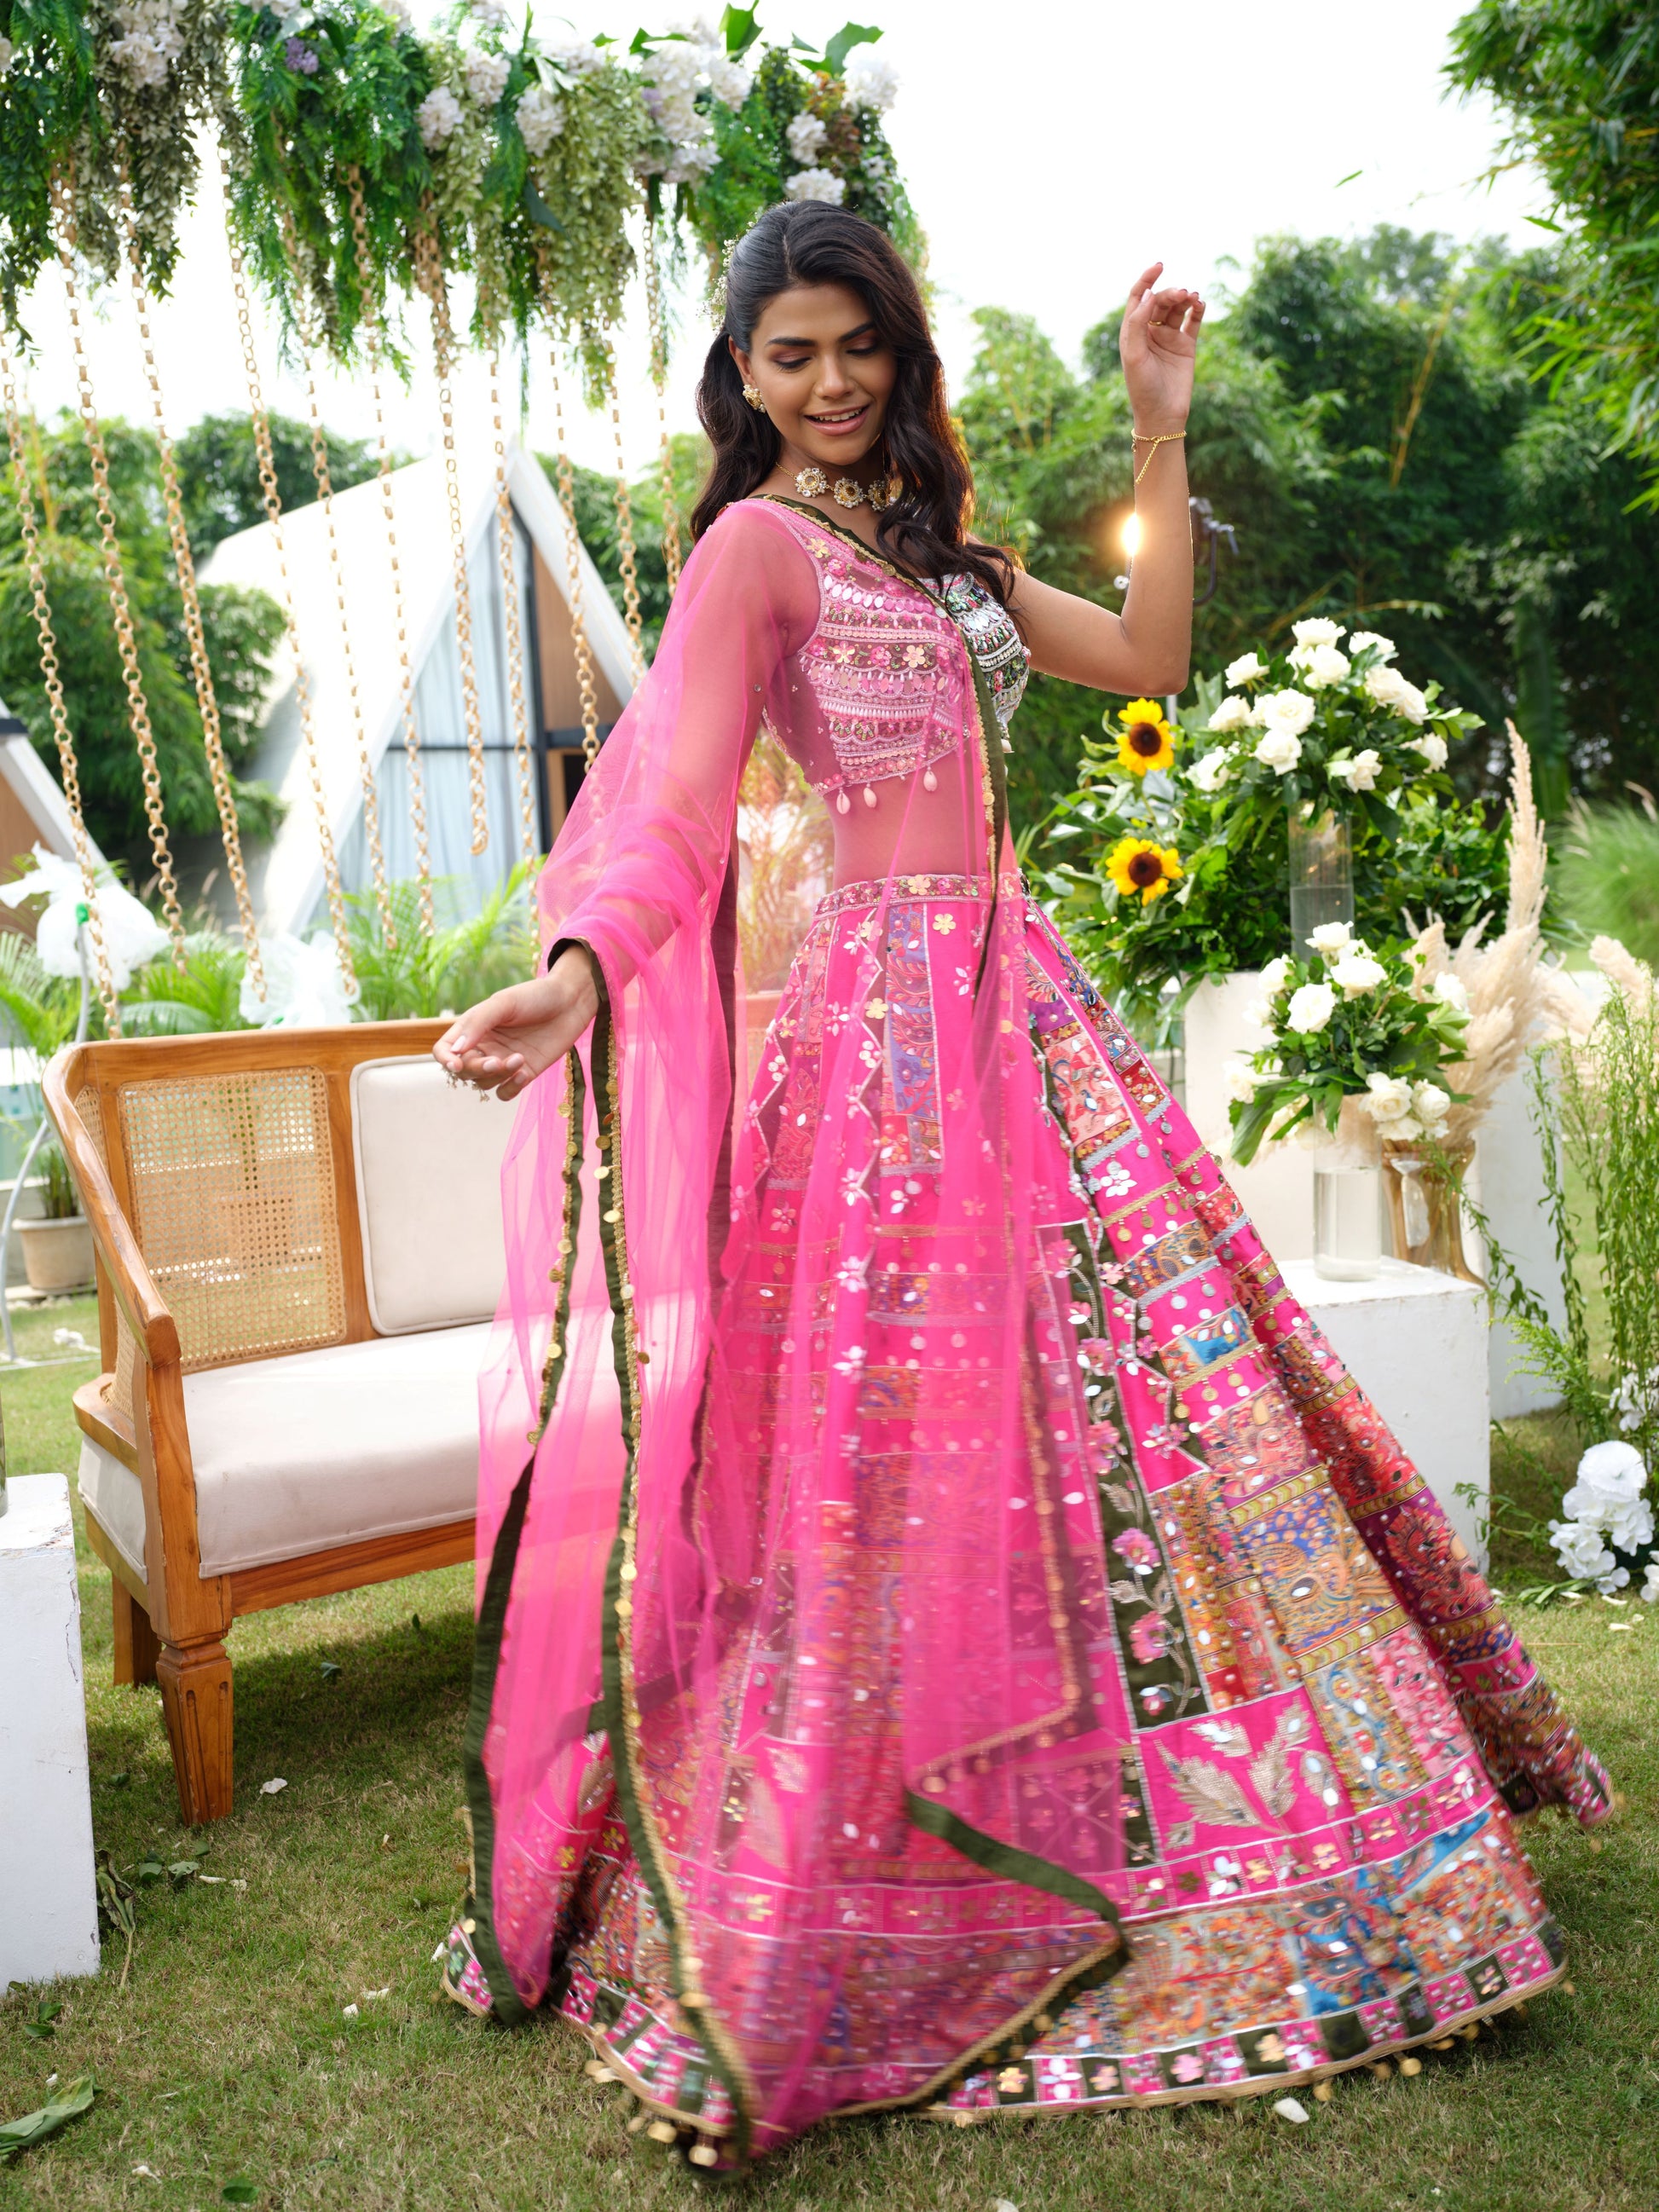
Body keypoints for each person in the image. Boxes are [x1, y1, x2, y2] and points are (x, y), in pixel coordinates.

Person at [434, 201, 1609, 2169]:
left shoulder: (948, 559)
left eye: (856, 344)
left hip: (1026, 1012)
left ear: (899, 351)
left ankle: (1160, 1768)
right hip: (882, 1055)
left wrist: (1158, 424)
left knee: (1145, 1397)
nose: (828, 382)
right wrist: (575, 977)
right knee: (883, 1444)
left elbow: (1148, 655)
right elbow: (673, 808)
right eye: (789, 354)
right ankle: (887, 1820)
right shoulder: (752, 554)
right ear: (743, 377)